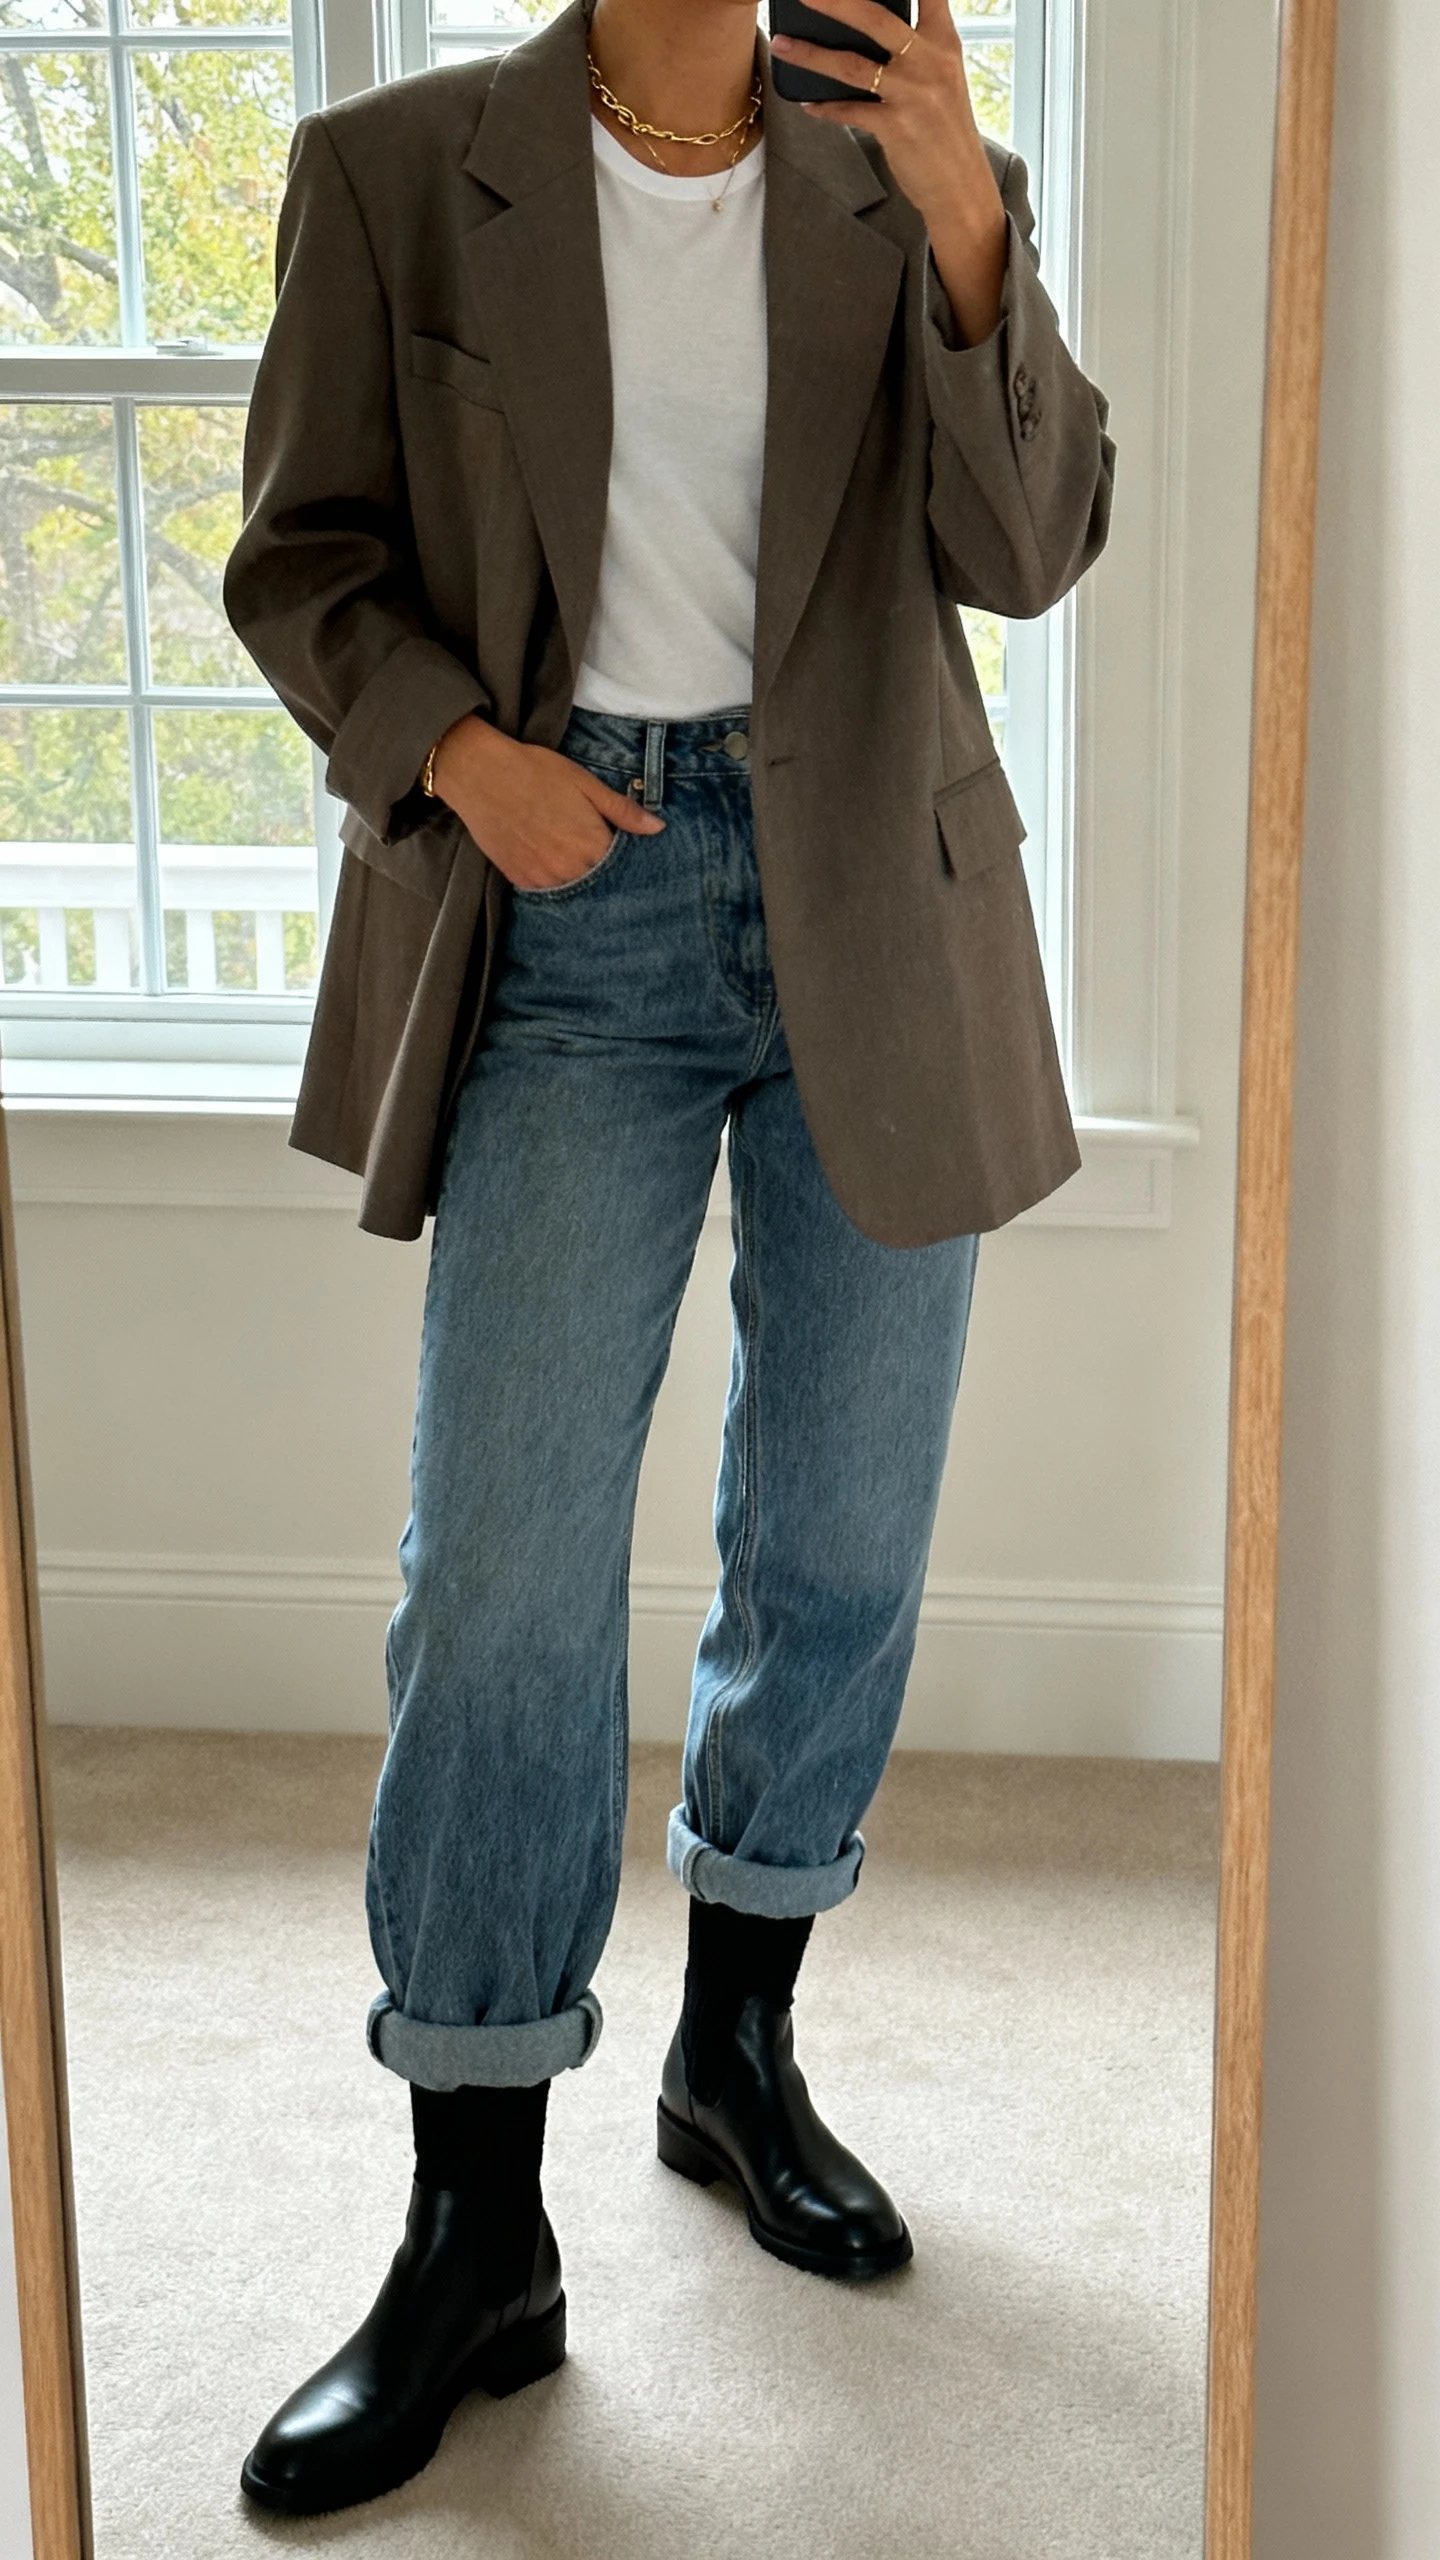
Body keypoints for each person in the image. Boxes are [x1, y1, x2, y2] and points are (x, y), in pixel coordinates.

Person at [222, 0, 1114, 2515]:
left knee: (836, 1541)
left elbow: (1031, 550)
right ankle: (474, 2222)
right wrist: (455, 753)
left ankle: (739, 2045)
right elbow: (302, 557)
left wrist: (971, 223)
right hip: (564, 905)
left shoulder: (902, 162)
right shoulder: (400, 167)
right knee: (498, 1582)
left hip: (880, 909)